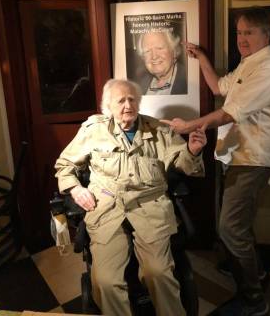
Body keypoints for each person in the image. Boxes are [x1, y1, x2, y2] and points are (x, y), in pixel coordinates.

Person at [162, 7, 270, 316]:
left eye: (249, 32)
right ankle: (255, 272)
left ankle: (254, 300)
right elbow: (220, 88)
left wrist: (188, 126)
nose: (242, 39)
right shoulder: (249, 64)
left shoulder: (269, 69)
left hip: (253, 158)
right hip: (238, 156)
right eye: (239, 32)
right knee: (238, 225)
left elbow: (228, 113)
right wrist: (202, 57)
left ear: (266, 34)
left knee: (230, 228)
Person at [55, 78, 206, 316]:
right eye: (121, 100)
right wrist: (75, 188)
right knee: (105, 281)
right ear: (109, 107)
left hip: (150, 208)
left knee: (157, 273)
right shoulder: (93, 131)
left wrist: (193, 151)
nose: (128, 105)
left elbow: (184, 163)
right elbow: (64, 165)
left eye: (132, 99)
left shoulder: (158, 130)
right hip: (107, 209)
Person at [136, 29, 187, 95]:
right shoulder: (139, 85)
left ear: (174, 51)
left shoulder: (189, 80)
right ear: (143, 57)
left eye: (160, 48)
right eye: (147, 51)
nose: (154, 56)